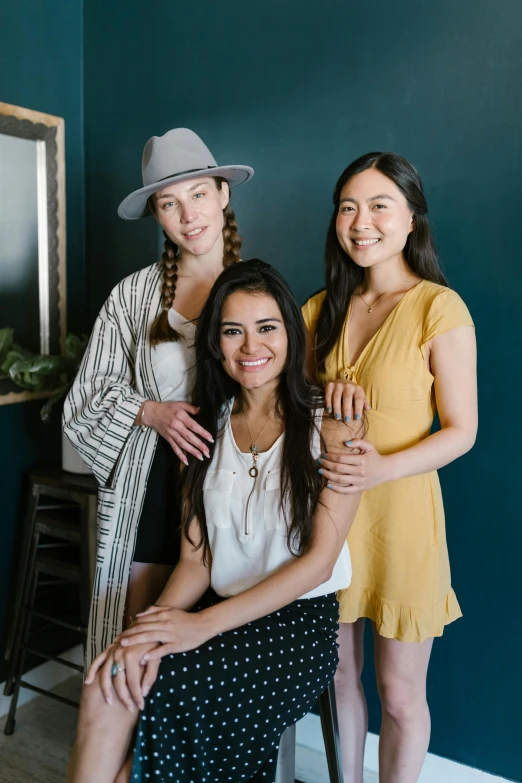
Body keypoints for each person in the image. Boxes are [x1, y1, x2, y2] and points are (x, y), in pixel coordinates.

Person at [67, 260, 362, 783]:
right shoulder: (205, 429)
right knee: (108, 676)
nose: (251, 348)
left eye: (266, 328)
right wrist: (150, 628)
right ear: (216, 343)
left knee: (172, 685)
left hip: (294, 629)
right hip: (218, 608)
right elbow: (196, 560)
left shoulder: (331, 424)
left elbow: (318, 565)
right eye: (233, 331)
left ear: (291, 333)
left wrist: (199, 626)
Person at [302, 152, 478, 783]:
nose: (360, 221)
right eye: (348, 206)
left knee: (400, 696)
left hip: (402, 522)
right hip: (329, 522)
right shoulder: (316, 312)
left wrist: (382, 469)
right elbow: (287, 413)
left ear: (411, 220)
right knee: (339, 678)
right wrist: (321, 407)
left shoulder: (439, 308)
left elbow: (463, 431)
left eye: (379, 205)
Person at [63, 127, 254, 665]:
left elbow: (284, 390)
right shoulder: (131, 296)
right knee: (135, 637)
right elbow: (84, 402)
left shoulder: (256, 291)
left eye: (198, 195)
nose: (189, 215)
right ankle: (125, 747)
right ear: (157, 216)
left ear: (223, 194)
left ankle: (188, 750)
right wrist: (150, 411)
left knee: (214, 644)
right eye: (169, 203)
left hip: (233, 490)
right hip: (149, 489)